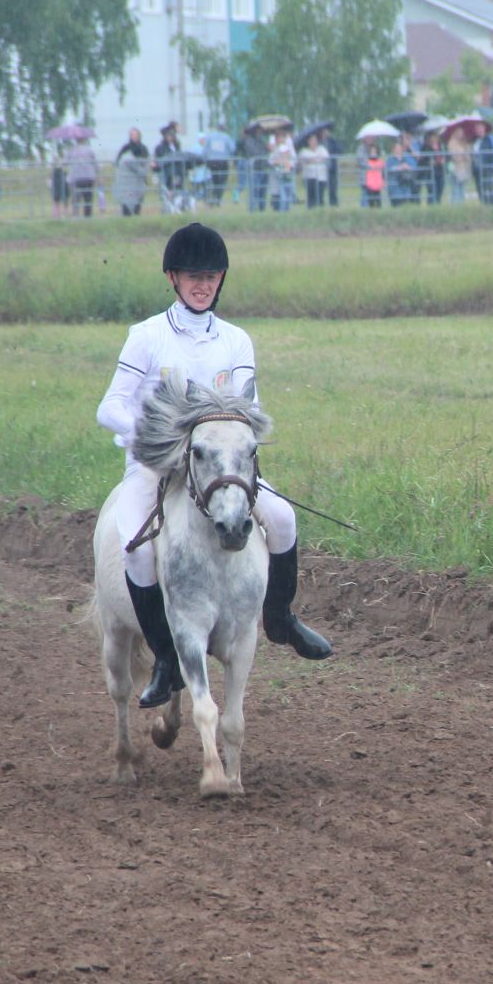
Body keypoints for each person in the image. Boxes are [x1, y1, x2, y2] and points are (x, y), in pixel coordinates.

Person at [96, 223, 332, 707]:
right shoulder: (146, 336)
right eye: (192, 276)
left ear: (221, 279)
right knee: (138, 552)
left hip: (222, 469)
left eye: (211, 276)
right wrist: (158, 436)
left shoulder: (236, 341)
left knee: (284, 517)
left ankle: (281, 618)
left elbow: (250, 409)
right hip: (159, 467)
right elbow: (109, 407)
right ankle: (164, 658)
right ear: (172, 278)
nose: (202, 285)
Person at [155, 121, 190, 213]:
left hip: (177, 172)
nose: (170, 137)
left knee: (178, 190)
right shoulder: (161, 147)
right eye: (169, 136)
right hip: (167, 173)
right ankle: (168, 209)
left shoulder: (176, 145)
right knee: (167, 191)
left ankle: (179, 207)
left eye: (172, 135)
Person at [115, 127, 150, 215]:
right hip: (127, 181)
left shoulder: (143, 148)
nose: (134, 137)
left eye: (135, 135)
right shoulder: (126, 148)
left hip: (139, 179)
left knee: (138, 200)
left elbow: (146, 161)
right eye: (132, 135)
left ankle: (136, 215)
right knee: (126, 202)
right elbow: (118, 161)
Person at [66, 138, 100, 217]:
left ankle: (76, 216)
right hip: (88, 177)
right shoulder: (89, 150)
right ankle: (87, 217)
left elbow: (65, 162)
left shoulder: (72, 150)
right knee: (88, 198)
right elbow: (95, 164)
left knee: (76, 198)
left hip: (76, 178)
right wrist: (97, 172)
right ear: (84, 140)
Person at [299, 129, 329, 208]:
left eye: (315, 140)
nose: (313, 142)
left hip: (321, 177)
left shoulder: (322, 149)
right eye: (311, 140)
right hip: (309, 177)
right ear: (308, 142)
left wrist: (312, 160)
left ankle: (321, 211)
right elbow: (303, 161)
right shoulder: (304, 151)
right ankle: (311, 210)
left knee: (320, 195)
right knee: (311, 196)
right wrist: (315, 159)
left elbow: (325, 158)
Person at [269, 127, 296, 210]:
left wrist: (288, 164)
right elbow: (271, 161)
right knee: (279, 195)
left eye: (282, 137)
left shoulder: (289, 149)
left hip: (287, 175)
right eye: (278, 137)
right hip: (278, 177)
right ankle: (281, 211)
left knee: (287, 195)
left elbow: (293, 160)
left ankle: (286, 211)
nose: (280, 139)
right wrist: (279, 162)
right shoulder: (275, 150)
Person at [473, 121, 493, 205]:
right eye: (477, 128)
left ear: (484, 128)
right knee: (480, 188)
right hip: (477, 168)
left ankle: (492, 205)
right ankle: (484, 205)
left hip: (487, 167)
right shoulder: (475, 140)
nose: (478, 130)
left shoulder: (489, 139)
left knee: (489, 187)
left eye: (480, 128)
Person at [359, 140, 385, 207]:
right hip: (370, 184)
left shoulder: (380, 161)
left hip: (377, 184)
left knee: (379, 202)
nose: (373, 153)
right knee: (371, 202)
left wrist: (383, 181)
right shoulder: (367, 161)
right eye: (372, 151)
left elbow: (383, 171)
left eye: (375, 151)